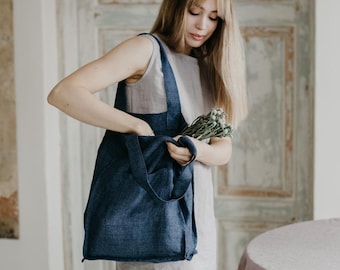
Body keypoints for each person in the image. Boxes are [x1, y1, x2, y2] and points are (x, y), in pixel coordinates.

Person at [48, 0, 247, 269]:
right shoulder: (147, 51)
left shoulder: (210, 67)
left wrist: (196, 150)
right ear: (175, 8)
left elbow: (224, 149)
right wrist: (137, 126)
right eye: (194, 12)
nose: (203, 25)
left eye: (213, 17)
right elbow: (64, 93)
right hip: (151, 216)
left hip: (198, 219)